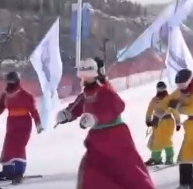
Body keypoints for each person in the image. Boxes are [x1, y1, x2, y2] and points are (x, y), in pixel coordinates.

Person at [57, 58, 154, 189]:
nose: (85, 79)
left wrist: (97, 118)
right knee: (92, 171)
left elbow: (118, 106)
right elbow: (77, 106)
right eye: (84, 76)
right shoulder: (86, 93)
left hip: (115, 136)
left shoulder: (106, 90)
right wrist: (67, 114)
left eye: (88, 76)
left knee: (127, 169)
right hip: (97, 138)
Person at [0, 71, 42, 183]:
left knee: (19, 146)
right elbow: (0, 108)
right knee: (8, 147)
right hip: (11, 123)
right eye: (9, 82)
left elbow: (33, 111)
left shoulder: (26, 95)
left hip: (24, 123)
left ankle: (18, 172)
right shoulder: (5, 95)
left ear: (18, 82)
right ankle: (7, 171)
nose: (10, 85)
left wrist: (38, 123)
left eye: (13, 82)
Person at [144, 81, 177, 166]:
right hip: (157, 123)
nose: (162, 91)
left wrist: (178, 122)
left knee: (166, 139)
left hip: (168, 122)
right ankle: (156, 158)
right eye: (160, 89)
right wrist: (148, 120)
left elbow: (175, 111)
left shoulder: (170, 99)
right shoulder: (155, 100)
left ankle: (169, 158)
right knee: (156, 140)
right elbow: (149, 110)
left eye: (163, 89)